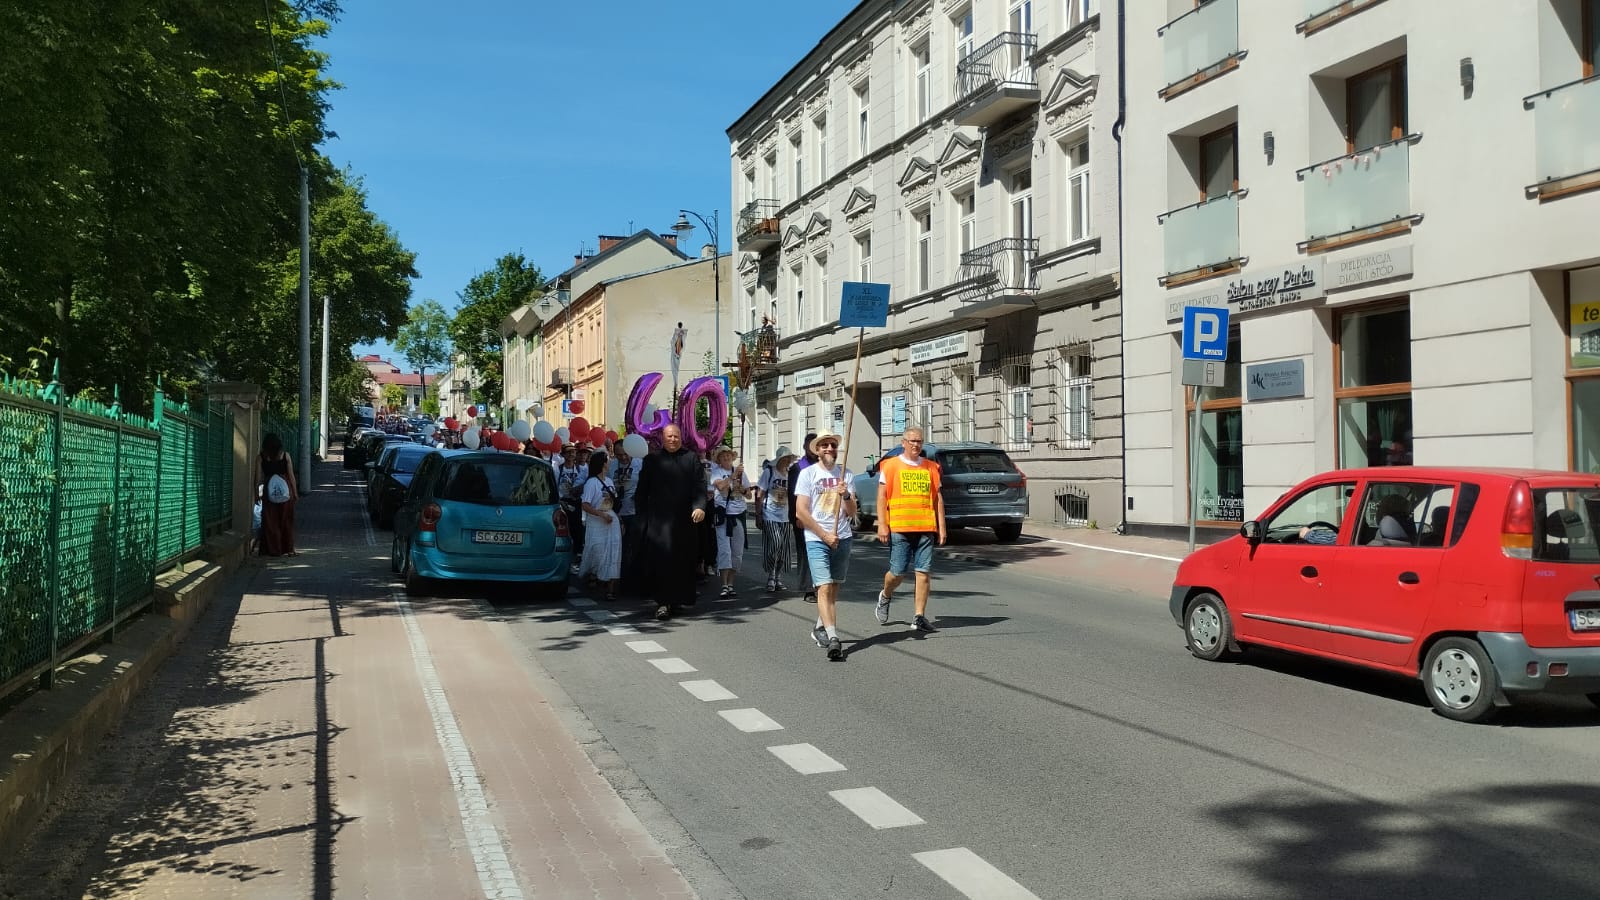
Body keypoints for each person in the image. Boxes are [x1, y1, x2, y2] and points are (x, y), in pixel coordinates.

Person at [634, 424, 711, 620]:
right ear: (663, 437)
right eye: (669, 436)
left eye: (676, 436)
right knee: (662, 560)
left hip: (685, 521)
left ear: (681, 438)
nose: (673, 439)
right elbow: (642, 490)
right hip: (659, 522)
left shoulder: (691, 458)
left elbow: (700, 485)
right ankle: (663, 602)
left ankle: (677, 599)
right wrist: (641, 517)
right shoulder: (652, 460)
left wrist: (700, 506)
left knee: (683, 561)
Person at [875, 427, 946, 633]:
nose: (916, 444)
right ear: (903, 443)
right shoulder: (891, 466)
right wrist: (882, 524)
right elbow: (881, 497)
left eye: (919, 441)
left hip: (925, 527)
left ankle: (919, 616)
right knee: (897, 573)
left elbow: (937, 499)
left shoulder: (931, 467)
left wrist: (942, 527)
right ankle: (886, 595)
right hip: (900, 527)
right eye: (912, 441)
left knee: (923, 573)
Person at [794, 430, 856, 660]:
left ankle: (820, 626)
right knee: (824, 587)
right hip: (817, 538)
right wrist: (823, 535)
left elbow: (852, 512)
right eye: (825, 446)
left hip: (842, 537)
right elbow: (800, 512)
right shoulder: (808, 474)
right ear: (817, 451)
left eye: (833, 445)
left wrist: (846, 495)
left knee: (834, 587)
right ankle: (833, 637)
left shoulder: (846, 474)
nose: (830, 448)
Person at [578, 451, 622, 600]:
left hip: (612, 521)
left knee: (613, 552)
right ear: (603, 463)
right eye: (608, 460)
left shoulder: (609, 481)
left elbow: (614, 503)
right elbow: (585, 504)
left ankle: (610, 587)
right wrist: (601, 515)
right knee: (598, 552)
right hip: (597, 522)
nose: (610, 462)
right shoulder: (591, 483)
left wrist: (619, 520)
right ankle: (594, 575)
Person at [709, 446, 752, 598]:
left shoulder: (741, 473)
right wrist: (733, 476)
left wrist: (742, 489)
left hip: (738, 514)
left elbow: (748, 495)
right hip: (723, 515)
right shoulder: (717, 472)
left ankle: (731, 583)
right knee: (724, 551)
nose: (726, 458)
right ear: (719, 460)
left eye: (728, 456)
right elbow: (720, 486)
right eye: (723, 456)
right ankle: (724, 584)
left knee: (737, 552)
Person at [756, 446, 796, 592]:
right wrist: (758, 514)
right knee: (775, 543)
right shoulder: (769, 472)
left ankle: (777, 577)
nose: (788, 461)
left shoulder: (790, 474)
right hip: (770, 514)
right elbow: (760, 494)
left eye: (789, 458)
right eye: (785, 458)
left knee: (784, 549)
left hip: (785, 516)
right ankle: (771, 575)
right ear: (779, 459)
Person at [787, 433, 819, 602]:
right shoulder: (798, 468)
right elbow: (793, 495)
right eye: (810, 446)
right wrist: (797, 516)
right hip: (803, 516)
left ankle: (820, 585)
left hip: (820, 516)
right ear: (805, 447)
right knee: (805, 552)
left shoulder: (823, 465)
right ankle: (808, 589)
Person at [258, 432, 299, 557]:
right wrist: (295, 492)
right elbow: (291, 475)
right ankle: (288, 548)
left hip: (269, 491)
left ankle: (273, 549)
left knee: (271, 521)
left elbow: (257, 478)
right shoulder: (285, 456)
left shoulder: (261, 457)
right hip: (285, 491)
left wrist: (256, 494)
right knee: (286, 520)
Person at [611, 441, 644, 593]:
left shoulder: (640, 464)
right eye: (619, 455)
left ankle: (636, 581)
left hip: (635, 512)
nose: (623, 458)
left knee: (636, 547)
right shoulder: (611, 465)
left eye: (625, 454)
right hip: (618, 514)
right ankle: (623, 581)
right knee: (621, 549)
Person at [557, 444, 586, 562]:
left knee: (577, 526)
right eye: (568, 452)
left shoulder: (581, 470)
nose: (571, 454)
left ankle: (577, 551)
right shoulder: (558, 469)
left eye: (573, 452)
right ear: (563, 454)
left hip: (576, 501)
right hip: (563, 501)